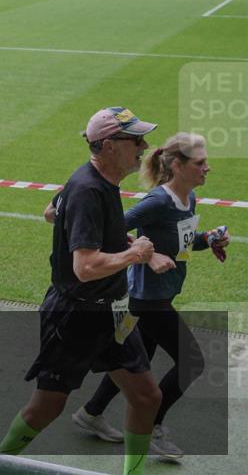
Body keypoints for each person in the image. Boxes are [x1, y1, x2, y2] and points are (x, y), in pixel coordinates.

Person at [0, 107, 174, 475]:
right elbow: (85, 267)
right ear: (109, 146)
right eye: (134, 139)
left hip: (111, 312)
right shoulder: (87, 189)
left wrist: (113, 238)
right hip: (76, 315)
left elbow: (50, 211)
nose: (143, 146)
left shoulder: (99, 182)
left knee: (146, 396)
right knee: (46, 408)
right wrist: (134, 253)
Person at [70, 132, 230, 461]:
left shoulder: (188, 199)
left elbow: (182, 243)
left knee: (134, 361)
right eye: (200, 163)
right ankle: (154, 427)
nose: (207, 168)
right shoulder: (158, 201)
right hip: (145, 298)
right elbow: (110, 227)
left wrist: (207, 239)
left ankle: (91, 413)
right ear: (177, 165)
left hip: (159, 295)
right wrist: (147, 255)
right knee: (192, 361)